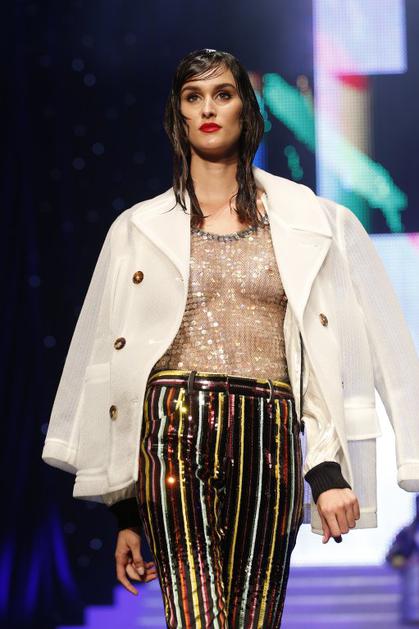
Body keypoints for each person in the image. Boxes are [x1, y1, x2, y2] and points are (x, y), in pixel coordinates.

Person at [42, 48, 419, 628]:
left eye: (223, 94)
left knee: (253, 618)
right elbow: (105, 361)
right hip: (172, 432)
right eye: (193, 97)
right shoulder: (136, 230)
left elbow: (358, 350)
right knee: (197, 617)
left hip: (269, 434)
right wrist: (124, 508)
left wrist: (328, 469)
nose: (208, 109)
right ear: (178, 114)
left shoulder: (313, 221)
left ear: (248, 108)